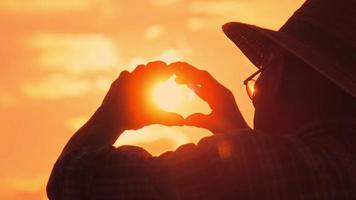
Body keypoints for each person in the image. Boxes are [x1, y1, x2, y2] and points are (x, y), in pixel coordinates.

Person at [47, 0, 356, 199]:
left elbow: (74, 181)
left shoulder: (269, 164)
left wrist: (110, 116)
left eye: (262, 72)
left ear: (287, 73)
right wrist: (234, 133)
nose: (256, 93)